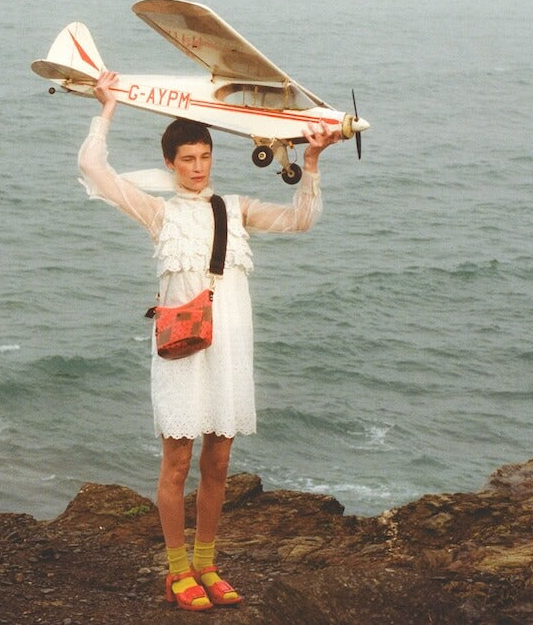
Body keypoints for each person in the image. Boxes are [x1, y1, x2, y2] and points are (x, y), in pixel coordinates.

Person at [77, 69, 340, 611]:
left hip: (229, 350)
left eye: (205, 157)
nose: (198, 168)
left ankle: (207, 564)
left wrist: (310, 163)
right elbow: (92, 168)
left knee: (218, 464)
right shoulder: (158, 212)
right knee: (176, 463)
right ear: (170, 164)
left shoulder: (235, 209)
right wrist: (107, 109)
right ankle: (177, 572)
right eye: (187, 160)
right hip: (181, 349)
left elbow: (302, 220)